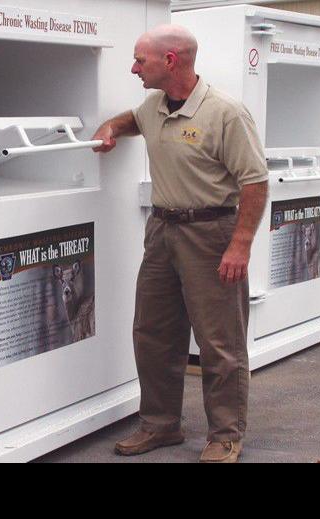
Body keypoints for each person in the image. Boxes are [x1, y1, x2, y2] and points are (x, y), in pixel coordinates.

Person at [91, 25, 269, 463]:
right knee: (152, 333)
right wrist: (110, 127)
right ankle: (160, 424)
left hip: (211, 234)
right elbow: (132, 120)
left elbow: (255, 182)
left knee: (219, 341)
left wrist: (240, 245)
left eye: (140, 60)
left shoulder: (225, 112)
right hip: (161, 232)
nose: (134, 69)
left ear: (170, 61)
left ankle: (225, 435)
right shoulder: (154, 105)